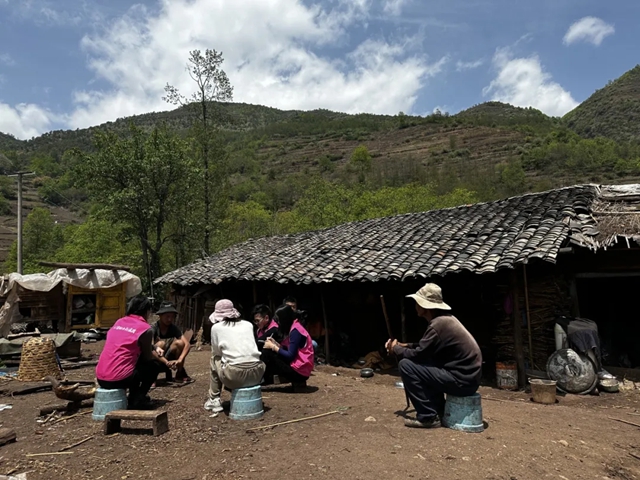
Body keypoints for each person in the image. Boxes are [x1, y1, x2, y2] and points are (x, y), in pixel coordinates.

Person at [386, 283, 482, 429]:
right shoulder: (445, 320)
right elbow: (426, 347)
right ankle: (439, 410)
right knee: (427, 365)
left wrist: (396, 349)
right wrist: (405, 345)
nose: (415, 306)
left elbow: (418, 355)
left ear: (424, 306)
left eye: (417, 302)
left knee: (406, 365)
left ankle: (428, 417)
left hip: (462, 382)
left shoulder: (438, 325)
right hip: (468, 380)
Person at [95, 296, 164, 409]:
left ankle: (134, 396)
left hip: (101, 378)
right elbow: (147, 357)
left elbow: (128, 341)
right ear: (147, 311)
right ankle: (137, 398)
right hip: (119, 379)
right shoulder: (145, 329)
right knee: (154, 366)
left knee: (131, 362)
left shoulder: (119, 322)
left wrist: (154, 347)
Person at [204, 299, 266, 413]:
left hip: (235, 376)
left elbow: (217, 353)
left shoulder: (216, 328)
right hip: (257, 374)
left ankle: (214, 399)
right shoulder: (248, 325)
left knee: (214, 359)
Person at [262, 305, 314, 386]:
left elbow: (290, 356)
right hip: (300, 369)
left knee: (267, 353)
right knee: (269, 351)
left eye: (279, 321)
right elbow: (291, 350)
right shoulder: (295, 327)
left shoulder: (295, 331)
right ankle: (265, 378)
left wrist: (273, 347)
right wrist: (276, 344)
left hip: (299, 372)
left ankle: (263, 379)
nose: (278, 324)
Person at [151, 301, 192, 382]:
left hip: (168, 356)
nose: (170, 319)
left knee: (180, 343)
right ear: (160, 316)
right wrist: (166, 362)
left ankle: (180, 373)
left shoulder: (173, 328)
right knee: (160, 344)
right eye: (167, 316)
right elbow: (151, 348)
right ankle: (152, 376)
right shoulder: (153, 328)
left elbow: (187, 344)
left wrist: (180, 359)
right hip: (155, 358)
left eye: (172, 317)